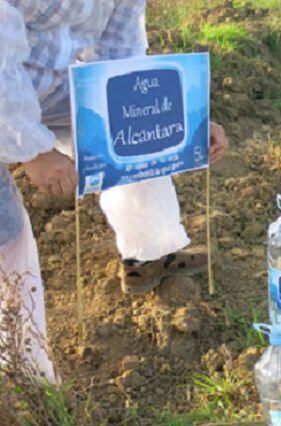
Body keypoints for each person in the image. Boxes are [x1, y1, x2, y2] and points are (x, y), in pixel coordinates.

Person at [0, 0, 229, 383]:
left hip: (48, 84)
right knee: (7, 237)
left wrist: (185, 122)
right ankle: (23, 379)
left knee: (136, 133)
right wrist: (33, 151)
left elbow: (121, 60)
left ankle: (149, 257)